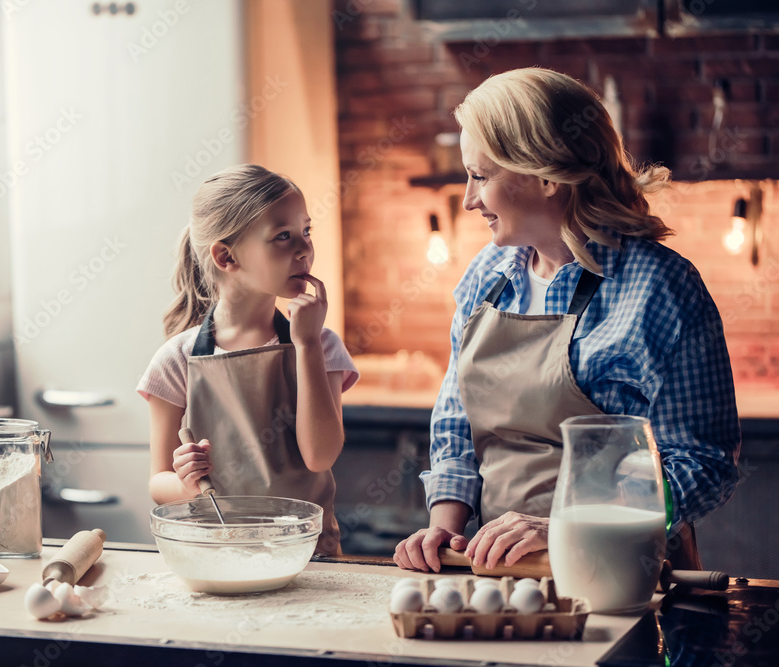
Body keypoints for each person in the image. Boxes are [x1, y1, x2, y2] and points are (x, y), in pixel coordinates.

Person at [394, 67, 740, 573]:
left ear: (548, 176)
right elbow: (457, 424)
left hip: (624, 573)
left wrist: (569, 525)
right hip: (503, 570)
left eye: (481, 177)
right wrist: (445, 526)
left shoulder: (662, 289)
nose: (469, 199)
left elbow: (703, 465)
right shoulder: (485, 276)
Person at [138, 164, 359, 556]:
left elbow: (320, 455)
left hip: (308, 557)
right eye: (283, 236)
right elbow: (159, 483)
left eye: (306, 231)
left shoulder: (321, 346)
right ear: (226, 257)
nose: (304, 248)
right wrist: (186, 484)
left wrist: (305, 344)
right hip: (215, 557)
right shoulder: (176, 360)